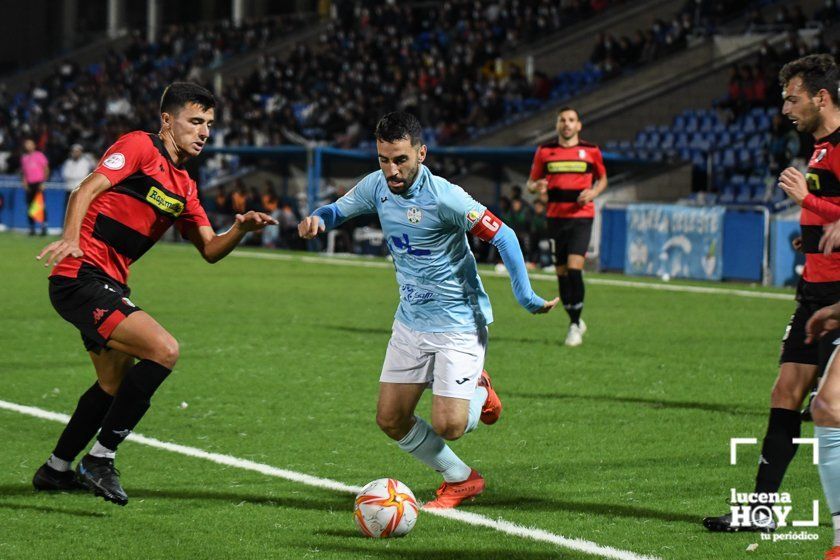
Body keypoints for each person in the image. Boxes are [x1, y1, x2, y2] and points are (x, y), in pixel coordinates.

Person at [33, 82, 277, 506]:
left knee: (111, 384)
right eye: (195, 121)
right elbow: (84, 189)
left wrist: (239, 229)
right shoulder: (139, 147)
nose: (204, 132)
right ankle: (101, 458)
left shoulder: (184, 187)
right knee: (163, 350)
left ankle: (55, 470)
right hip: (81, 276)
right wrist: (71, 237)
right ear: (168, 121)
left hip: (108, 283)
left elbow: (210, 250)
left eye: (210, 124)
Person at [298, 112, 558, 509]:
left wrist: (524, 296)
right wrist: (319, 217)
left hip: (457, 323)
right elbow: (338, 209)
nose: (391, 170)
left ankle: (480, 389)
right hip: (410, 322)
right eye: (384, 159)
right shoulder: (376, 186)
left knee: (449, 425)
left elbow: (503, 235)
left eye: (400, 159)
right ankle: (460, 478)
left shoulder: (446, 197)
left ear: (421, 152)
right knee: (390, 419)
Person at [704, 54, 840, 534]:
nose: (785, 108)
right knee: (786, 392)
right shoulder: (820, 148)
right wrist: (812, 228)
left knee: (831, 409)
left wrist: (808, 202)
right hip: (813, 291)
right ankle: (759, 511)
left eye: (792, 98)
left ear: (821, 97)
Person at [526, 107, 607, 347]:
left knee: (574, 269)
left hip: (581, 217)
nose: (567, 124)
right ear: (557, 124)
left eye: (571, 120)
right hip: (555, 218)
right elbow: (531, 182)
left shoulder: (591, 151)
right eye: (563, 120)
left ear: (579, 125)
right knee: (560, 273)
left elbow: (603, 178)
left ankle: (574, 324)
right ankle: (575, 319)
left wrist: (593, 191)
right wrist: (536, 188)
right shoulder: (545, 151)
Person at [20, 138, 50, 236]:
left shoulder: (39, 155)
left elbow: (46, 169)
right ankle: (32, 228)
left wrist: (43, 182)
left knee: (40, 206)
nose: (28, 146)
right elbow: (24, 172)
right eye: (26, 144)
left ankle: (43, 227)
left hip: (38, 184)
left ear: (34, 145)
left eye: (30, 144)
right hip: (29, 185)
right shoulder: (24, 157)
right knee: (30, 207)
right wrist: (24, 182)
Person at [61, 144, 94, 213]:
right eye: (74, 151)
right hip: (69, 189)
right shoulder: (68, 162)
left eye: (77, 151)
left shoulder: (85, 163)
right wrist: (74, 176)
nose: (75, 153)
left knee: (79, 210)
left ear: (81, 152)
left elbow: (83, 175)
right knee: (67, 210)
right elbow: (65, 174)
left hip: (80, 190)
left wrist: (72, 176)